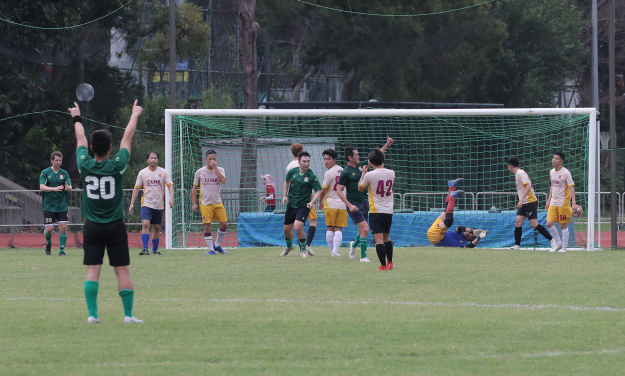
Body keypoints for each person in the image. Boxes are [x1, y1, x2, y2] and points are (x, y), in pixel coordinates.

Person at [70, 100, 143, 324]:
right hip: (115, 225)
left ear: (91, 148)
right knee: (122, 271)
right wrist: (134, 114)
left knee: (93, 270)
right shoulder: (117, 165)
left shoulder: (84, 163)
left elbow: (80, 137)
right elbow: (127, 138)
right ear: (111, 148)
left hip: (92, 226)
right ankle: (128, 315)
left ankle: (93, 315)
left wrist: (76, 117)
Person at [337, 136, 394, 262]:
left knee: (362, 229)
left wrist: (387, 144)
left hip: (364, 202)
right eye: (356, 155)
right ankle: (363, 257)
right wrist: (349, 205)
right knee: (366, 228)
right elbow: (338, 190)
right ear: (350, 158)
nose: (358, 156)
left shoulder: (361, 166)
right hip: (353, 204)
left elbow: (376, 159)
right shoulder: (346, 172)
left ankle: (353, 244)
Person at [129, 151, 174, 255]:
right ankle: (145, 249)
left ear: (158, 160)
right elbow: (136, 188)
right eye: (151, 158)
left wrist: (171, 198)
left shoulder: (163, 172)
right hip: (146, 203)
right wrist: (132, 203)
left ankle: (154, 250)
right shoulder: (142, 172)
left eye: (155, 158)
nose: (153, 160)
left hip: (158, 204)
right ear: (147, 160)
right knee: (145, 224)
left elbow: (170, 185)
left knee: (157, 227)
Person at [358, 149, 396, 270]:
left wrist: (363, 173)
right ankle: (390, 262)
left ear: (370, 162)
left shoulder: (369, 175)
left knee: (378, 240)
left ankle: (383, 265)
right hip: (389, 211)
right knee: (387, 237)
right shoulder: (392, 173)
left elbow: (360, 188)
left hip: (376, 210)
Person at [506, 157, 555, 251]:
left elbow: (528, 186)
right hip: (524, 202)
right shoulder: (518, 174)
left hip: (529, 201)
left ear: (510, 166)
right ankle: (517, 245)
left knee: (534, 224)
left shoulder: (520, 173)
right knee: (518, 222)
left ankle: (552, 241)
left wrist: (521, 200)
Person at [426, 178, 488, 249]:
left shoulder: (463, 244)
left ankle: (452, 190)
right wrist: (472, 231)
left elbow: (468, 247)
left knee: (448, 215)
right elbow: (460, 228)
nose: (469, 233)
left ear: (471, 239)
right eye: (470, 231)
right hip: (436, 233)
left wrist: (478, 238)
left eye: (471, 234)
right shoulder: (459, 233)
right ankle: (452, 187)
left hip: (436, 236)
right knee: (447, 214)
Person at [282, 151, 322, 257]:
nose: (306, 163)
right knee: (286, 230)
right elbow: (286, 181)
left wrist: (312, 202)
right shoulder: (292, 172)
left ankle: (303, 250)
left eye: (308, 161)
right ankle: (289, 246)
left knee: (298, 226)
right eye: (304, 161)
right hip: (291, 204)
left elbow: (319, 191)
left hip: (304, 205)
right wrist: (284, 195)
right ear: (299, 162)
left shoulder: (311, 175)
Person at [309, 149, 346, 256]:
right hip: (342, 204)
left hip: (330, 204)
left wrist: (320, 201)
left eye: (328, 159)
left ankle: (333, 251)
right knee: (339, 229)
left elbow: (323, 190)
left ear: (334, 160)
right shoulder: (343, 170)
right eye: (324, 159)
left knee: (330, 227)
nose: (326, 161)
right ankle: (335, 251)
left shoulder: (329, 173)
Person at [192, 150, 228, 255]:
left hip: (217, 202)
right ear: (206, 159)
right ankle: (211, 249)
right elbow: (194, 188)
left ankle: (217, 245)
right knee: (207, 225)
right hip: (205, 203)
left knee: (224, 224)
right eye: (210, 159)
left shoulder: (220, 169)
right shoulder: (200, 172)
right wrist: (194, 203)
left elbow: (223, 180)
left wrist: (215, 168)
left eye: (214, 159)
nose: (212, 161)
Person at [39, 151, 72, 256]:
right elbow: (42, 187)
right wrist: (54, 189)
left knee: (63, 226)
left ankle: (61, 250)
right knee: (49, 229)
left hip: (62, 204)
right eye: (56, 160)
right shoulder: (45, 172)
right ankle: (48, 243)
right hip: (48, 205)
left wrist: (68, 188)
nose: (58, 162)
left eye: (60, 160)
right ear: (52, 160)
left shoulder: (64, 173)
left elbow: (70, 187)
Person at [546, 151, 579, 253]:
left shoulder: (566, 173)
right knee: (549, 223)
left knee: (562, 225)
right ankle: (558, 243)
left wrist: (573, 203)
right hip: (553, 202)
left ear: (561, 161)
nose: (553, 160)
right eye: (553, 158)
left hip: (563, 203)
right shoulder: (551, 172)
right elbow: (552, 186)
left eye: (556, 158)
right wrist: (549, 199)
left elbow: (571, 188)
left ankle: (564, 248)